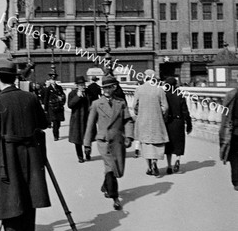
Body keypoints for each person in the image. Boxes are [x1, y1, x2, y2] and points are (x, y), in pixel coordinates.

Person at [0, 60, 51, 231]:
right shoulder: (30, 98)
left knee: (10, 203)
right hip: (31, 155)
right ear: (15, 78)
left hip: (7, 157)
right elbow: (44, 124)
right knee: (30, 201)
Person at [84, 75, 134, 210]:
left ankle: (106, 185)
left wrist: (129, 136)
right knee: (111, 167)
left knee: (118, 169)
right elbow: (90, 125)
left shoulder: (121, 102)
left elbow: (128, 120)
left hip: (118, 141)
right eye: (104, 88)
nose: (106, 90)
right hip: (104, 141)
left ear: (114, 87)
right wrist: (87, 143)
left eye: (109, 87)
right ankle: (115, 198)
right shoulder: (96, 104)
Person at [133, 69, 169, 177]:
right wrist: (160, 114)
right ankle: (155, 162)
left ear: (145, 77)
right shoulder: (159, 90)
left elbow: (135, 106)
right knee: (156, 143)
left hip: (143, 120)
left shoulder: (139, 89)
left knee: (146, 143)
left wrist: (138, 113)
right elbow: (165, 107)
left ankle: (149, 167)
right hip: (156, 120)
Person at [164, 77, 192, 174]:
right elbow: (185, 111)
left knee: (169, 145)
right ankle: (177, 160)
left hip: (168, 122)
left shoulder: (164, 95)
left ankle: (168, 166)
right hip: (178, 121)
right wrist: (189, 124)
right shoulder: (180, 95)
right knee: (179, 143)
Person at [219, 86, 238, 191]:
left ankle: (236, 181)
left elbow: (224, 115)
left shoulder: (230, 95)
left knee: (234, 158)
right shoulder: (231, 95)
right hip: (234, 131)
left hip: (233, 131)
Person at [68, 76, 90, 163]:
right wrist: (78, 97)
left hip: (86, 119)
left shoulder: (88, 93)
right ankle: (80, 157)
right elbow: (70, 105)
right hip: (76, 120)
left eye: (83, 84)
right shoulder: (72, 94)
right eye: (81, 85)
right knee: (77, 140)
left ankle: (87, 152)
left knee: (87, 137)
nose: (83, 86)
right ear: (77, 86)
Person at [43, 72, 66, 141]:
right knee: (55, 121)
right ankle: (56, 136)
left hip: (59, 107)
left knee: (58, 123)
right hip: (52, 108)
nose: (53, 81)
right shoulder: (48, 89)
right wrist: (46, 109)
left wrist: (62, 99)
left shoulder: (59, 87)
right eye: (52, 79)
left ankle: (56, 132)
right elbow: (46, 99)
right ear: (50, 80)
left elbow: (63, 95)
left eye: (54, 79)